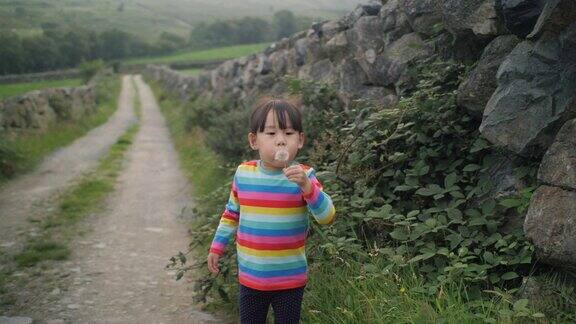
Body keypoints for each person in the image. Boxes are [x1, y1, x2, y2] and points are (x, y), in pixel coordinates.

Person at [207, 98, 336, 323]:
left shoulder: (305, 176)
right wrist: (217, 247)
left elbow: (327, 217)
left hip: (290, 280)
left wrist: (307, 187)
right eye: (271, 133)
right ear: (253, 140)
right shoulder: (244, 174)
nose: (280, 142)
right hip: (251, 277)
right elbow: (231, 214)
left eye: (288, 133)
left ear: (300, 140)